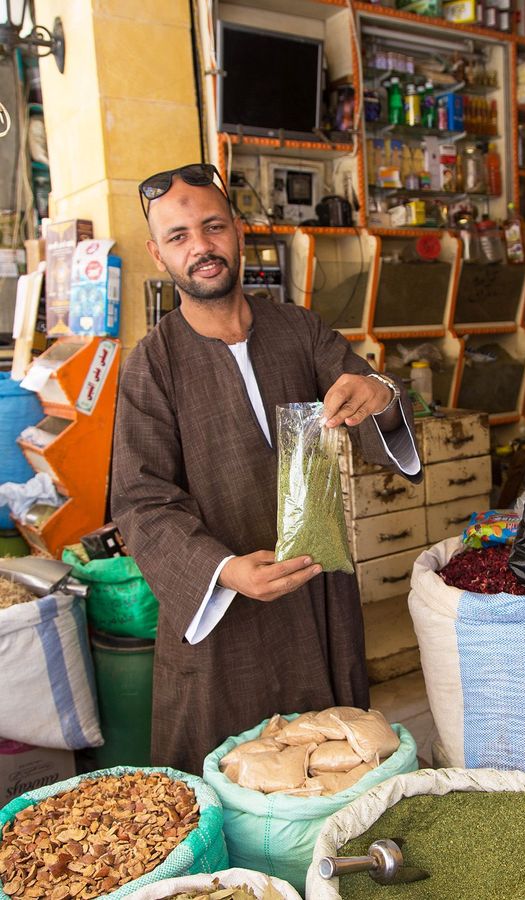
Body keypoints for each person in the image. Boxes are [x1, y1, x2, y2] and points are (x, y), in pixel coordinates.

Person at [111, 164, 422, 774]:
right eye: (179, 237)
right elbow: (141, 501)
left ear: (238, 232)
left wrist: (378, 395)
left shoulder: (298, 328)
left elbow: (370, 386)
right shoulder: (152, 364)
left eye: (212, 227)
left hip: (316, 589)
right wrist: (222, 570)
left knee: (336, 765)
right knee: (233, 779)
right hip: (225, 612)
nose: (200, 247)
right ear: (158, 254)